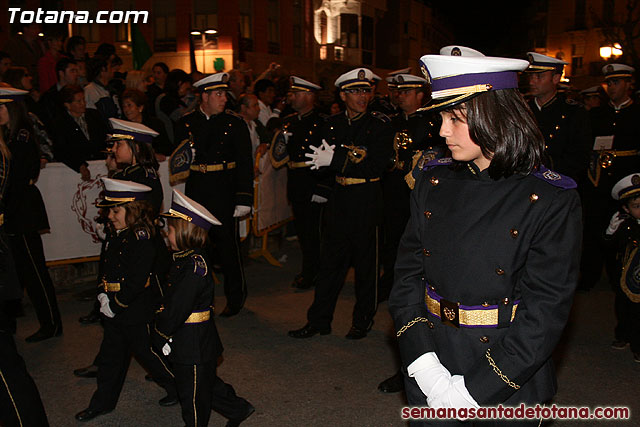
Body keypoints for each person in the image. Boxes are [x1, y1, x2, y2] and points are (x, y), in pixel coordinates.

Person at [388, 51, 581, 423]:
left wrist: (469, 393)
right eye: (442, 117)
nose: (443, 131)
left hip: (504, 374)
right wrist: (425, 366)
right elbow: (407, 278)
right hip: (431, 361)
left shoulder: (550, 199)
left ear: (494, 115)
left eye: (455, 118)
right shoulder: (433, 181)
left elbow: (544, 313)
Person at [288, 68, 394, 340]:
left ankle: (362, 320)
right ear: (343, 95)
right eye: (356, 91)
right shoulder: (332, 123)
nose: (363, 96)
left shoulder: (379, 124)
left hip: (366, 200)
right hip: (338, 200)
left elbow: (376, 167)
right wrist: (324, 183)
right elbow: (319, 161)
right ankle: (319, 320)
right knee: (329, 267)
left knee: (366, 267)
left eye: (366, 90)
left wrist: (335, 162)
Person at [75, 178, 177, 422]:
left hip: (135, 311)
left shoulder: (141, 238)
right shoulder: (118, 234)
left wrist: (115, 304)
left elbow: (137, 280)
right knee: (111, 359)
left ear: (133, 211)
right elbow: (107, 269)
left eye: (115, 210)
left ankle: (181, 387)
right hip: (114, 308)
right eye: (110, 210)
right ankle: (102, 403)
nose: (110, 215)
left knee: (151, 355)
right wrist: (102, 293)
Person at [154, 189, 255, 427]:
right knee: (205, 384)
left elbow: (178, 307)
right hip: (191, 339)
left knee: (193, 398)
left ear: (184, 231)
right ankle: (239, 409)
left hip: (194, 343)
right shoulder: (184, 258)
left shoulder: (194, 266)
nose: (166, 234)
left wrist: (161, 333)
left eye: (169, 229)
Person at [174, 72, 253, 317]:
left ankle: (236, 297)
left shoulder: (235, 123)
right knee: (197, 249)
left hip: (225, 188)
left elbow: (245, 162)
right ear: (204, 96)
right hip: (198, 188)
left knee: (229, 249)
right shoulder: (186, 123)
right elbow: (179, 158)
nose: (224, 99)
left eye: (224, 94)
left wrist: (243, 198)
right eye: (218, 94)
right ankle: (199, 298)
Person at [0, 100, 49, 425]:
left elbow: (22, 179)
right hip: (9, 228)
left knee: (6, 368)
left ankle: (52, 323)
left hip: (20, 218)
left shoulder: (16, 140)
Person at [0, 86, 63, 342]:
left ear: (12, 108)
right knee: (17, 270)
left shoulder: (21, 136)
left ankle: (51, 322)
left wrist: (4, 209)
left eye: (1, 107)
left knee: (34, 271)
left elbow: (17, 177)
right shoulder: (9, 134)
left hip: (21, 210)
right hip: (15, 208)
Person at [581, 64, 640, 291]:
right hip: (598, 180)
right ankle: (589, 275)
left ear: (628, 85)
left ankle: (622, 275)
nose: (611, 87)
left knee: (625, 229)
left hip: (627, 179)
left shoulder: (636, 113)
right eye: (609, 83)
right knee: (595, 229)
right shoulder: (597, 114)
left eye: (616, 82)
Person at [270, 76, 331, 290]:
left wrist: (322, 187)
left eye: (294, 94)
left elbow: (329, 156)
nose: (290, 98)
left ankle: (316, 273)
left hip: (314, 180)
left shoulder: (323, 122)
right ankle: (310, 270)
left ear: (308, 95)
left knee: (316, 233)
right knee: (304, 232)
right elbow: (281, 150)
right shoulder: (290, 121)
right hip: (297, 182)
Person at [525, 52, 591, 182]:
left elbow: (580, 156)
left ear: (555, 78)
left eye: (539, 76)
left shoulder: (573, 112)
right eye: (531, 76)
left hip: (561, 181)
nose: (532, 81)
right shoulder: (523, 109)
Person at [604, 174, 640, 363]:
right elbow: (609, 248)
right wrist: (611, 232)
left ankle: (638, 344)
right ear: (626, 208)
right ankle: (622, 334)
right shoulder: (624, 225)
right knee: (624, 307)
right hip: (625, 277)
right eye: (636, 207)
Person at [52, 84, 108, 180]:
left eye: (84, 99)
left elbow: (105, 138)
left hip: (100, 165)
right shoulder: (60, 123)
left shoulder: (94, 115)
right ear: (67, 105)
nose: (83, 103)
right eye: (79, 101)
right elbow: (61, 150)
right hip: (76, 170)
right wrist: (80, 165)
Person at [121, 88, 171, 157]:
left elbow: (166, 148)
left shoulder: (155, 124)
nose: (126, 110)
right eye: (124, 106)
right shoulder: (122, 126)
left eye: (129, 105)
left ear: (140, 107)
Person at [158, 69, 193, 147]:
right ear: (180, 83)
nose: (187, 91)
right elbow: (180, 116)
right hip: (170, 143)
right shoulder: (166, 100)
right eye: (187, 88)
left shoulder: (174, 99)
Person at [84, 55, 120, 120]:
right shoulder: (89, 90)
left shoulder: (111, 90)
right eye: (110, 67)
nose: (113, 70)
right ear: (103, 70)